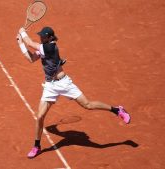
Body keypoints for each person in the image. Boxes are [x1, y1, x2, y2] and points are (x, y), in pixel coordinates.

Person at [16, 26, 131, 159]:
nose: (40, 37)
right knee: (40, 116)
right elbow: (30, 58)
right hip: (50, 86)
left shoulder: (50, 47)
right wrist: (20, 44)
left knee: (87, 105)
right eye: (40, 35)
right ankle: (37, 146)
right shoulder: (43, 47)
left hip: (64, 84)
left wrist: (22, 32)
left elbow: (30, 43)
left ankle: (117, 110)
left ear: (50, 38)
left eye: (43, 36)